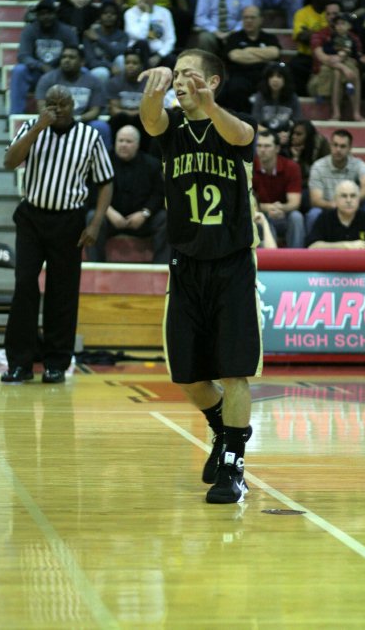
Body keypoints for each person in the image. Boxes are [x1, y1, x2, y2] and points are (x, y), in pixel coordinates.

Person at [138, 48, 262, 504]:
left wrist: (209, 104)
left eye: (189, 75)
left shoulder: (237, 124)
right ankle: (221, 432)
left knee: (234, 372)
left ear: (213, 81)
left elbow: (242, 133)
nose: (180, 82)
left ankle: (234, 464)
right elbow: (151, 121)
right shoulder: (172, 127)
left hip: (231, 264)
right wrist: (153, 91)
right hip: (186, 264)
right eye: (176, 76)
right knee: (188, 376)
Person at [1, 85, 114, 384]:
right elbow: (9, 161)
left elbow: (105, 181)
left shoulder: (89, 137)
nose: (57, 108)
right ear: (44, 105)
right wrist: (38, 127)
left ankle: (56, 363)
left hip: (69, 222)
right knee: (25, 285)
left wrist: (95, 224)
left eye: (62, 103)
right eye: (51, 103)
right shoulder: (31, 127)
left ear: (73, 105)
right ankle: (20, 364)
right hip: (32, 219)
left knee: (62, 293)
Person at [85, 125, 170, 263]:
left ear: (137, 144)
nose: (123, 145)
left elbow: (159, 194)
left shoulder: (152, 164)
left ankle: (161, 267)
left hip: (142, 221)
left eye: (128, 141)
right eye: (121, 141)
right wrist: (108, 211)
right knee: (92, 217)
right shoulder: (101, 162)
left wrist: (144, 214)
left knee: (166, 218)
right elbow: (93, 191)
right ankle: (96, 265)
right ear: (115, 142)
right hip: (110, 219)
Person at [35, 45, 112, 150]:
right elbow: (42, 107)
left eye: (71, 57)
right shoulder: (47, 79)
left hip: (82, 120)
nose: (66, 60)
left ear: (82, 62)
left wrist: (76, 119)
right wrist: (58, 120)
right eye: (64, 57)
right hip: (55, 121)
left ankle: (101, 162)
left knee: (101, 126)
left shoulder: (93, 81)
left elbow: (95, 110)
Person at [9, 0, 78, 115]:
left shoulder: (67, 31)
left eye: (49, 13)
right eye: (42, 14)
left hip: (61, 73)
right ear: (37, 16)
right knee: (19, 70)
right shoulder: (30, 30)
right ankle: (16, 114)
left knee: (83, 71)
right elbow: (23, 56)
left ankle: (75, 115)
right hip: (36, 73)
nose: (46, 17)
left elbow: (76, 53)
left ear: (55, 14)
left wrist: (61, 68)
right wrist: (41, 66)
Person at [307, 128, 365, 233]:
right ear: (330, 146)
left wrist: (351, 202)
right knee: (313, 214)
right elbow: (316, 200)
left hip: (351, 208)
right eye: (335, 145)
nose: (338, 149)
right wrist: (337, 204)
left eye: (343, 146)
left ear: (350, 148)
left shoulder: (358, 164)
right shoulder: (318, 167)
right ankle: (312, 245)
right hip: (329, 208)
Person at [219, 5, 281, 112]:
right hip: (240, 76)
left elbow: (275, 53)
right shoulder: (234, 38)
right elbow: (235, 56)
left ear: (261, 20)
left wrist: (247, 51)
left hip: (264, 77)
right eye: (245, 18)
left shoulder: (269, 38)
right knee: (235, 88)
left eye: (252, 17)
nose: (248, 20)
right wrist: (263, 56)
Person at [252, 129, 305, 247]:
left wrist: (281, 208)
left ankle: (297, 261)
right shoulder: (249, 167)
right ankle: (267, 262)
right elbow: (248, 200)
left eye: (267, 146)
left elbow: (294, 202)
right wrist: (266, 208)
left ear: (277, 148)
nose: (262, 150)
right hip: (261, 214)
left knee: (296, 217)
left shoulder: (291, 167)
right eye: (259, 146)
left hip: (284, 214)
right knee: (257, 219)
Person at [307, 180, 365, 249]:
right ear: (335, 199)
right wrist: (346, 245)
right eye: (344, 196)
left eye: (353, 196)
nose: (349, 200)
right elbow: (312, 246)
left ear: (358, 199)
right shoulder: (325, 218)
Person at [319, 11, 365, 121]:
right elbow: (327, 53)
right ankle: (336, 112)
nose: (340, 26)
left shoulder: (353, 40)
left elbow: (356, 56)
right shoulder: (330, 39)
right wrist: (340, 59)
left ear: (349, 26)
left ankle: (356, 113)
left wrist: (356, 58)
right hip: (335, 65)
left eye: (343, 23)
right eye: (337, 24)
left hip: (349, 64)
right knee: (337, 74)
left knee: (354, 74)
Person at [124, 0, 177, 68]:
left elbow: (170, 39)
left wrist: (159, 55)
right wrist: (146, 13)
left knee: (172, 59)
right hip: (137, 53)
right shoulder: (130, 13)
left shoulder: (165, 13)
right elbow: (141, 36)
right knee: (143, 43)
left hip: (158, 53)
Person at [290, 0, 328, 95]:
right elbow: (301, 36)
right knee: (294, 66)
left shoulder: (330, 12)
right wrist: (322, 35)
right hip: (306, 56)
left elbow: (333, 36)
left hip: (327, 55)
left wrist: (311, 33)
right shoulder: (302, 13)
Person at [250, 61, 302, 144]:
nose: (275, 80)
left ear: (285, 80)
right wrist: (273, 135)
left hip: (286, 137)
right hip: (265, 136)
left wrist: (288, 134)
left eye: (279, 76)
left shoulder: (292, 97)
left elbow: (298, 122)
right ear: (267, 80)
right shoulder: (260, 96)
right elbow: (255, 123)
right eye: (271, 76)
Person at [286, 120, 330, 212]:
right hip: (294, 188)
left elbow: (323, 173)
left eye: (299, 134)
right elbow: (288, 178)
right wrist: (295, 159)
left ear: (308, 136)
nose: (294, 137)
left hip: (317, 187)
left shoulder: (321, 145)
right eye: (293, 133)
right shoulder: (287, 147)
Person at [83, 1, 129, 88]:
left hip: (118, 71)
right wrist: (110, 66)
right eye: (105, 13)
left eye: (113, 14)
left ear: (117, 17)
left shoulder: (123, 35)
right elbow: (91, 61)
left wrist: (98, 39)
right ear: (100, 16)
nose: (109, 16)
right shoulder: (90, 34)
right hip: (98, 69)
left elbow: (119, 53)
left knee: (121, 59)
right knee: (102, 73)